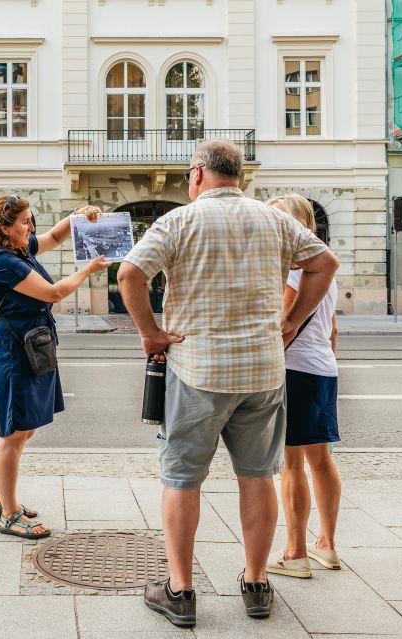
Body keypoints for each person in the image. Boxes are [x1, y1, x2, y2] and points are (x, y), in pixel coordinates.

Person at [117, 139, 339, 627]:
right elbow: (324, 264)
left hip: (197, 369)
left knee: (182, 478)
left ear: (197, 174)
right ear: (240, 175)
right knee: (257, 474)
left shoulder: (178, 220)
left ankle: (180, 591)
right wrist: (292, 323)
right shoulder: (275, 219)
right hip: (262, 371)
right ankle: (257, 584)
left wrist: (150, 333)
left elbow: (130, 273)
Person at [0, 195, 109, 539]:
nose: (31, 228)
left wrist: (77, 216)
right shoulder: (1, 261)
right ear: (5, 228)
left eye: (31, 220)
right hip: (10, 350)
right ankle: (8, 515)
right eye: (24, 223)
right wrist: (88, 270)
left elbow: (53, 238)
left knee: (26, 427)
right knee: (13, 433)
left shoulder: (19, 250)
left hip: (29, 345)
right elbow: (51, 294)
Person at [265, 194, 342, 579]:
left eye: (277, 218)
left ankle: (295, 552)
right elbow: (332, 331)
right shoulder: (322, 266)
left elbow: (285, 323)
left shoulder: (295, 268)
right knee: (321, 460)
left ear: (295, 223)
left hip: (293, 369)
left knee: (290, 464)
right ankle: (326, 544)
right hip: (323, 370)